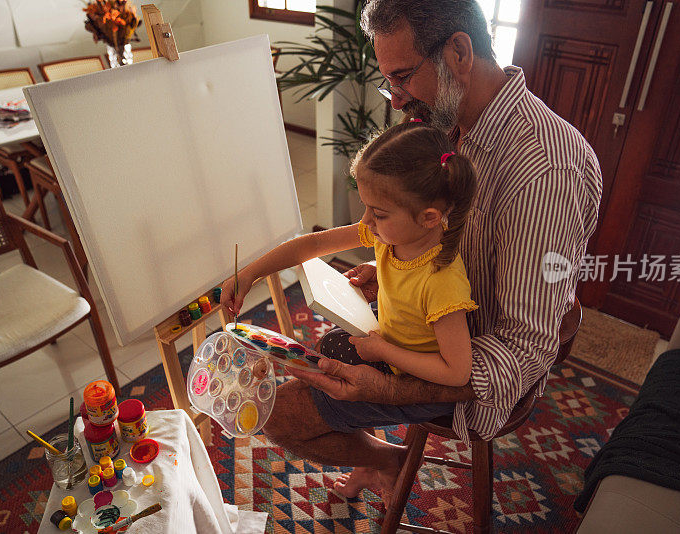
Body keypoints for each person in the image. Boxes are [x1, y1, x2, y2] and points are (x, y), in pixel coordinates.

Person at [226, 0, 603, 504]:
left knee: (274, 413)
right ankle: (381, 459)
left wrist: (387, 388)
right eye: (390, 82)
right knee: (328, 354)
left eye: (403, 77)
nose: (397, 100)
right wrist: (397, 266)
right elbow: (448, 245)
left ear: (460, 52)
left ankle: (389, 462)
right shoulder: (447, 125)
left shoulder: (545, 172)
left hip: (463, 367)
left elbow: (521, 354)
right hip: (424, 326)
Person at [224, 123, 479, 389]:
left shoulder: (442, 282)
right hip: (389, 344)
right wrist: (251, 273)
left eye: (379, 213)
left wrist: (383, 351)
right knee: (325, 351)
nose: (366, 220)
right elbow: (309, 246)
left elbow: (456, 373)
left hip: (418, 379)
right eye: (366, 207)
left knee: (317, 377)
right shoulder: (391, 237)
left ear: (428, 218)